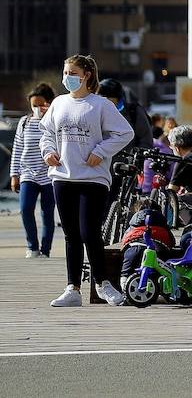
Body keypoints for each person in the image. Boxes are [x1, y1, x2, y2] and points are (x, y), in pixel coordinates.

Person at [38, 54, 135, 308]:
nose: (67, 77)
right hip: (62, 176)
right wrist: (48, 152)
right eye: (65, 72)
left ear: (86, 75)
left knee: (89, 232)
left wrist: (100, 151)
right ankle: (72, 288)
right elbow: (46, 132)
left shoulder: (100, 105)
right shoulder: (59, 103)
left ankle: (103, 284)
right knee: (71, 234)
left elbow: (125, 133)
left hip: (93, 178)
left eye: (72, 73)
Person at [10, 83, 57, 259]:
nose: (38, 109)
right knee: (25, 208)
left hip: (49, 176)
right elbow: (17, 148)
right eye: (34, 105)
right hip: (28, 173)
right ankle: (32, 247)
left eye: (41, 105)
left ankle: (45, 250)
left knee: (47, 213)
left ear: (49, 103)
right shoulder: (24, 122)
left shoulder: (55, 121)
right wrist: (14, 175)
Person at [97, 77, 153, 150]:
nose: (106, 104)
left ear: (118, 99)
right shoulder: (94, 113)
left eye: (109, 100)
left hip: (128, 160)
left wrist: (137, 158)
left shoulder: (133, 112)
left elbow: (145, 140)